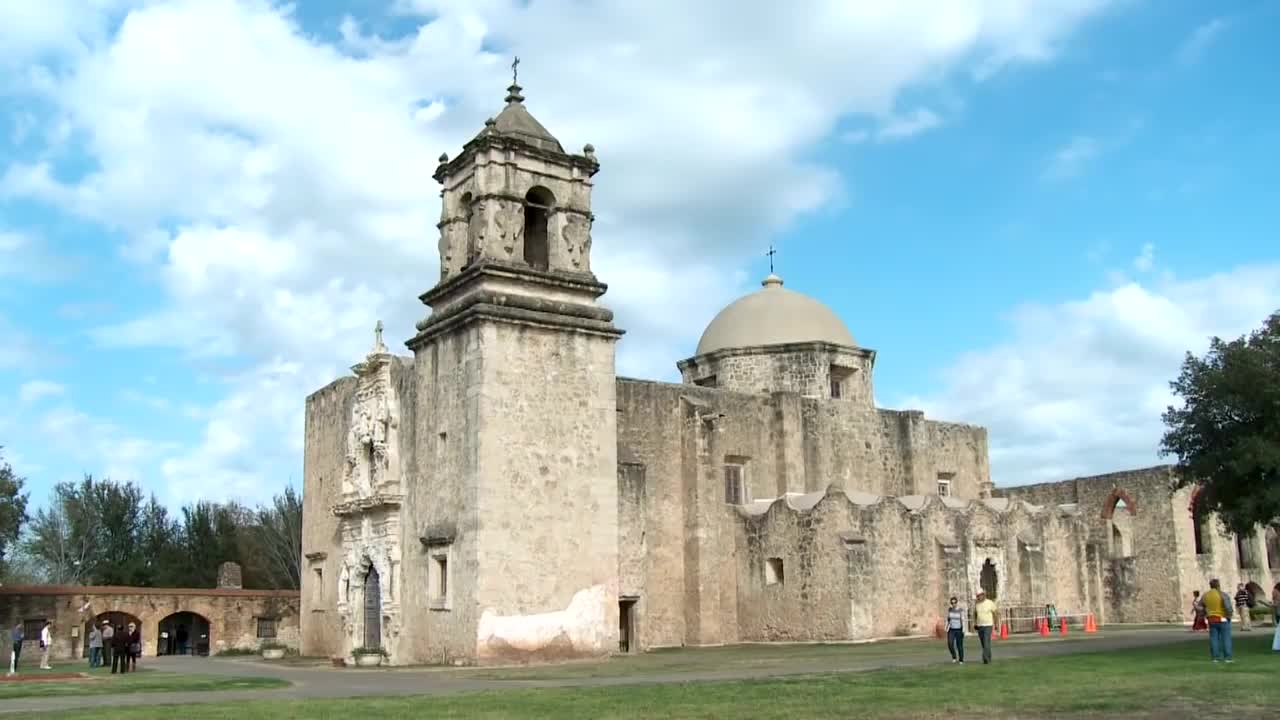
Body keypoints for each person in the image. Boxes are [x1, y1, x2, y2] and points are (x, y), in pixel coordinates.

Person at [1203, 578, 1234, 663]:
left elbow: (1201, 607)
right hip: (1222, 618)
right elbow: (1228, 607)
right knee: (1226, 638)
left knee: (1214, 639)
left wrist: (1205, 613)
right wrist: (1230, 614)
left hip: (1211, 619)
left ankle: (1215, 658)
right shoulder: (1222, 594)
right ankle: (1227, 657)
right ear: (1218, 585)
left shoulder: (1206, 595)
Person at [974, 590, 999, 664]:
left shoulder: (990, 603)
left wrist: (996, 623)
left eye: (979, 596)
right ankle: (988, 657)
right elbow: (975, 614)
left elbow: (995, 613)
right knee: (984, 643)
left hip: (988, 625)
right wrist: (975, 623)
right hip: (980, 626)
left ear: (983, 595)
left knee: (986, 641)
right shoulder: (977, 604)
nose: (978, 597)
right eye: (977, 596)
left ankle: (985, 658)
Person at [944, 596, 966, 664]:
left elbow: (962, 620)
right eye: (952, 603)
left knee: (959, 645)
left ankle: (961, 659)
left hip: (959, 629)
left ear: (957, 603)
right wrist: (946, 626)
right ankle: (954, 656)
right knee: (950, 643)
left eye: (955, 602)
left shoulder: (960, 610)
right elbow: (948, 619)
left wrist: (963, 629)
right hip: (951, 630)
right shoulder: (950, 610)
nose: (953, 604)